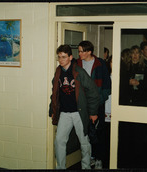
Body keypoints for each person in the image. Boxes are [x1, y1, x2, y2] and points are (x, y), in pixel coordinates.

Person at [49, 44, 100, 169]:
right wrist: (52, 109)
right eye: (59, 57)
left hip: (79, 113)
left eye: (64, 57)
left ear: (71, 57)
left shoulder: (79, 72)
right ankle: (60, 167)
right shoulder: (58, 72)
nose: (61, 60)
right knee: (59, 141)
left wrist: (93, 112)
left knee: (84, 142)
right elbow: (55, 93)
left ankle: (86, 167)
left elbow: (93, 92)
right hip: (64, 113)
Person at [77, 40, 111, 169]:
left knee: (98, 133)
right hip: (82, 105)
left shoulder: (100, 64)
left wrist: (99, 100)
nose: (79, 53)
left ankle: (98, 158)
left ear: (89, 52)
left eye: (82, 51)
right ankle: (89, 157)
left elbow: (107, 86)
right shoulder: (77, 64)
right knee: (85, 133)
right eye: (79, 51)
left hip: (97, 104)